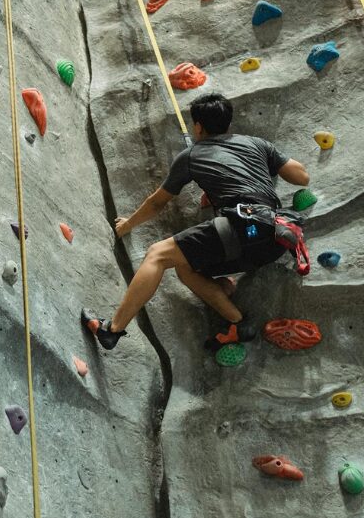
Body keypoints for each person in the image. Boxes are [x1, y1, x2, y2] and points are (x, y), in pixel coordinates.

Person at [82, 93, 311, 350]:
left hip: (239, 226)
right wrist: (262, 164)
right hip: (274, 240)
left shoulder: (191, 155)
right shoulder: (257, 144)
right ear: (228, 123)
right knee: (186, 267)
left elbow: (157, 203)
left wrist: (127, 225)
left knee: (157, 255)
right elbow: (302, 177)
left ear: (198, 126)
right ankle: (237, 322)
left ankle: (112, 330)